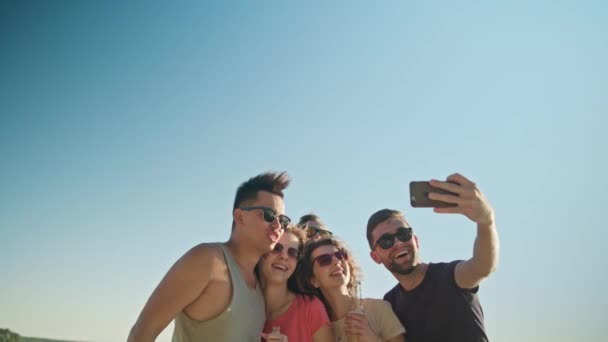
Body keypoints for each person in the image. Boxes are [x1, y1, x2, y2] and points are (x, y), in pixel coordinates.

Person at [127, 172, 292, 342]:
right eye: (269, 215)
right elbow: (143, 331)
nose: (278, 226)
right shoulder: (208, 260)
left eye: (283, 220)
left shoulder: (261, 285)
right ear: (240, 217)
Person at [366, 173, 499, 342]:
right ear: (375, 257)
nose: (398, 242)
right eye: (386, 241)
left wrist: (486, 222)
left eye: (403, 234)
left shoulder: (451, 276)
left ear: (415, 240)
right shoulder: (390, 304)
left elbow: (483, 266)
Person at [298, 238, 405, 342]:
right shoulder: (315, 328)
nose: (336, 261)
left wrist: (372, 339)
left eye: (340, 256)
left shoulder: (379, 308)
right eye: (324, 260)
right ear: (313, 280)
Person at [257, 226, 335, 342]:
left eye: (293, 253)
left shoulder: (311, 308)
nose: (284, 256)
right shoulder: (240, 304)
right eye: (276, 248)